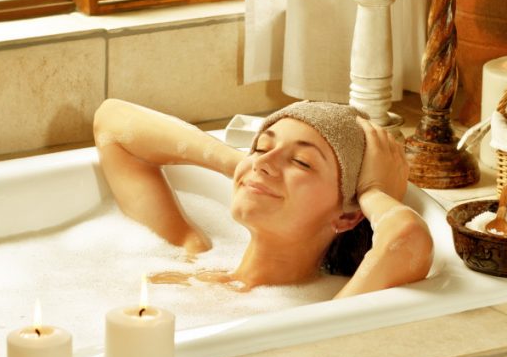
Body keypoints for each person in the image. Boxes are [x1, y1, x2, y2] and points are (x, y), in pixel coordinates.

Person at [93, 99, 433, 299]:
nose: (265, 162)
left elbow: (407, 237)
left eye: (301, 162)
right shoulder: (189, 250)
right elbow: (111, 120)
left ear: (346, 217)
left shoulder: (328, 309)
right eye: (263, 146)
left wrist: (373, 191)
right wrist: (244, 166)